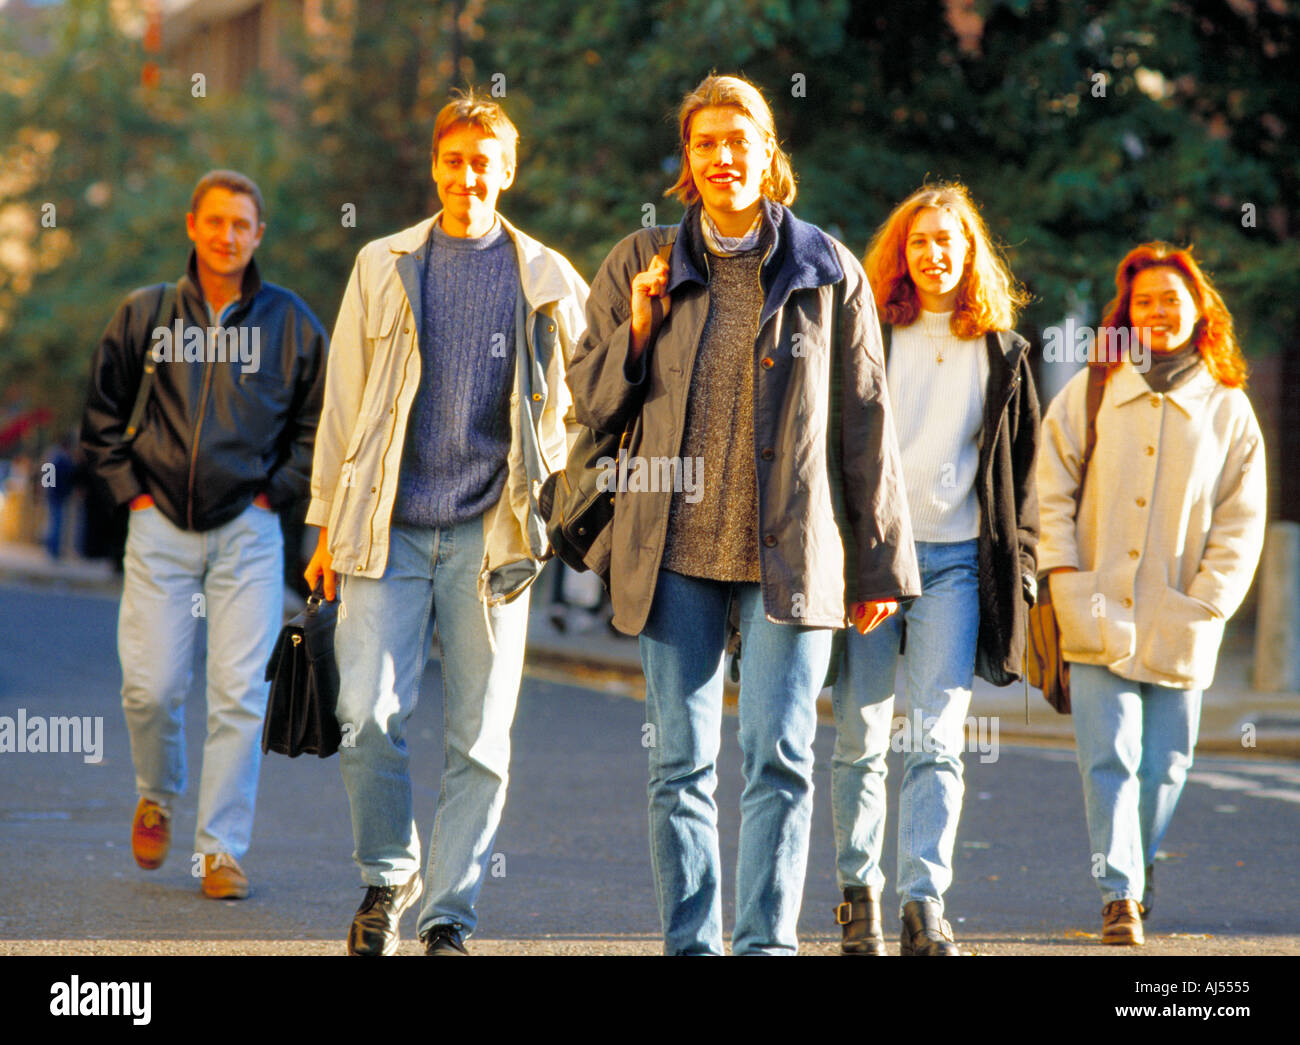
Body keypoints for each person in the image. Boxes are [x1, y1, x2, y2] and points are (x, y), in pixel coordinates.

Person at [568, 74, 920, 956]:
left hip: (793, 554)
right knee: (679, 765)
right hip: (673, 549)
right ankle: (693, 944)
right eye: (706, 144)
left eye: (740, 140)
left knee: (780, 758)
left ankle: (765, 943)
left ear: (771, 153)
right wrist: (640, 329)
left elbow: (865, 419)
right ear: (687, 163)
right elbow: (587, 397)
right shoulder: (639, 261)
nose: (724, 157)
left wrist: (877, 562)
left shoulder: (826, 266)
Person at [305, 89, 589, 957]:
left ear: (507, 171)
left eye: (485, 162)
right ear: (437, 166)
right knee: (363, 710)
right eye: (455, 160)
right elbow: (343, 403)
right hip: (385, 529)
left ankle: (448, 916)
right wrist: (324, 526)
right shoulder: (383, 263)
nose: (469, 175)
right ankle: (391, 873)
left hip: (491, 538)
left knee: (482, 738)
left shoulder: (547, 279)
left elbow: (586, 401)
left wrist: (557, 499)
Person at [81, 169, 328, 899]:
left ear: (258, 235)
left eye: (242, 225)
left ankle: (220, 848)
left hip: (248, 531)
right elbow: (100, 420)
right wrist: (134, 497)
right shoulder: (145, 314)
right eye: (215, 221)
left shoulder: (291, 324)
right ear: (193, 224)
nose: (228, 236)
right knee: (150, 689)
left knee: (238, 694)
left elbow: (319, 429)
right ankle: (157, 790)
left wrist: (271, 498)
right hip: (159, 527)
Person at [830, 183, 1039, 956]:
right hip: (876, 560)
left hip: (955, 562)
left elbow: (1021, 477)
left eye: (947, 241)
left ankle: (924, 904)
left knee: (936, 737)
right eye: (919, 241)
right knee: (859, 733)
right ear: (902, 252)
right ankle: (860, 897)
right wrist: (858, 561)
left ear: (970, 250)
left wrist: (1022, 570)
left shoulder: (1004, 351)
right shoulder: (872, 331)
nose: (933, 253)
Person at [1037, 242, 1266, 945]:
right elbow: (1052, 485)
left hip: (1180, 612)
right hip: (1097, 604)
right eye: (1144, 301)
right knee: (1109, 755)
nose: (1158, 311)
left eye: (1171, 298)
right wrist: (1065, 573)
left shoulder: (1227, 406)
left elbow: (1241, 515)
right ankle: (1119, 892)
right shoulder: (1096, 386)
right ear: (1127, 314)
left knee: (1167, 762)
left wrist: (1209, 599)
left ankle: (1134, 863)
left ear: (1199, 310)